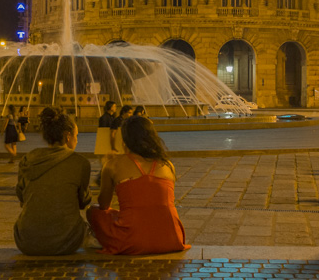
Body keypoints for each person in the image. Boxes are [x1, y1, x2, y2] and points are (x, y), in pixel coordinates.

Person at [88, 115, 190, 255]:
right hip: (172, 237)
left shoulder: (113, 164)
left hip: (132, 239)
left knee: (93, 211)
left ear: (125, 138)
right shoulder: (167, 165)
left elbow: (103, 204)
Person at [14, 107, 91, 255]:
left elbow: (22, 197)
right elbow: (83, 202)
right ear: (68, 136)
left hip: (26, 242)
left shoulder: (28, 159)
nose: (76, 139)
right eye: (76, 135)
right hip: (66, 242)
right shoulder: (80, 162)